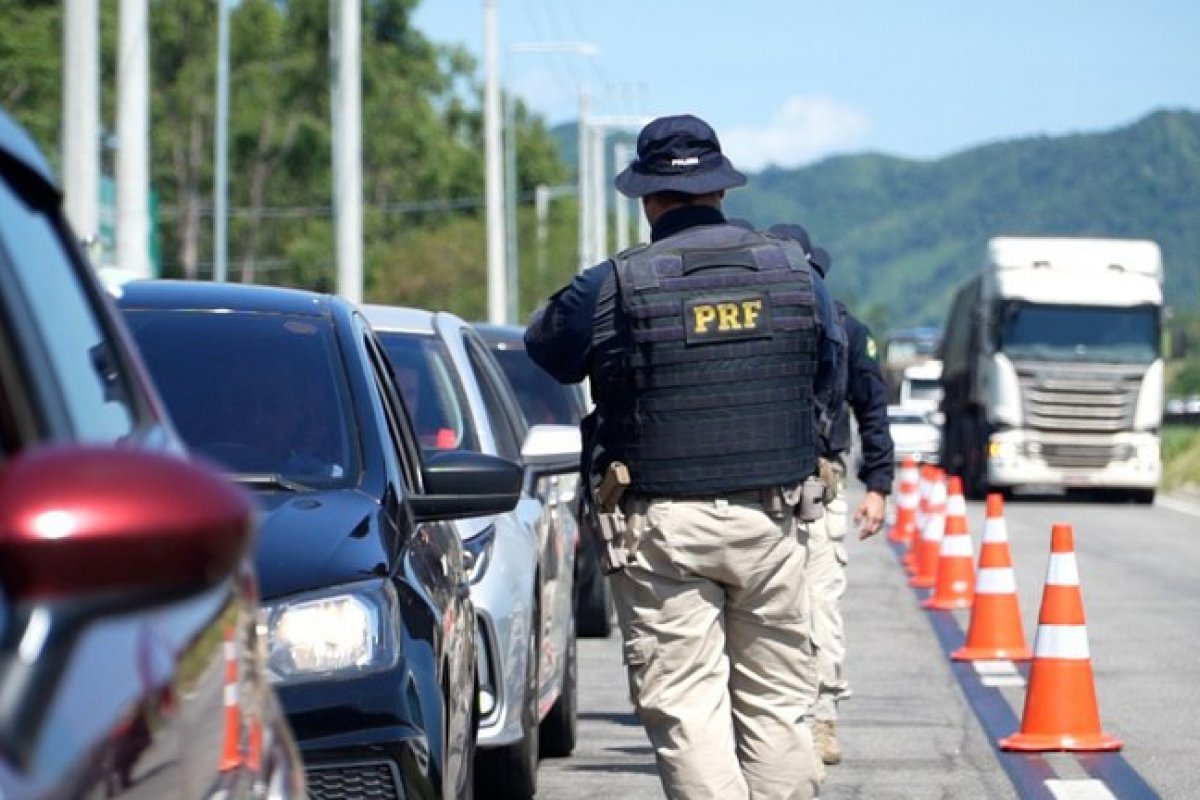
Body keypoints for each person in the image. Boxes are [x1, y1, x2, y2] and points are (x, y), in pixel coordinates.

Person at [525, 113, 846, 800]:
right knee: (781, 706)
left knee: (689, 709)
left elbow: (546, 348)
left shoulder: (616, 284)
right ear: (721, 190)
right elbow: (828, 374)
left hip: (662, 525)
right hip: (775, 517)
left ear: (646, 199)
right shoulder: (794, 274)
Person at [768, 224, 895, 766]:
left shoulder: (846, 329)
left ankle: (820, 717)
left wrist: (880, 485)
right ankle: (790, 718)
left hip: (819, 484)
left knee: (816, 604)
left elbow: (873, 407)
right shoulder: (760, 326)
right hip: (773, 485)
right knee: (776, 608)